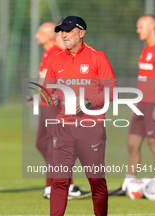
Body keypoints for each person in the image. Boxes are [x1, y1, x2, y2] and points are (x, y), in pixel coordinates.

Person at [35, 16, 118, 216]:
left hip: (91, 128)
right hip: (63, 128)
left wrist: (89, 102)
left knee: (96, 180)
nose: (63, 35)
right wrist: (49, 98)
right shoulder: (55, 59)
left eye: (68, 31)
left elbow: (113, 90)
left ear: (81, 33)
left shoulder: (97, 57)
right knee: (59, 180)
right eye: (61, 31)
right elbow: (47, 92)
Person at [110, 15, 155, 196]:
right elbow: (142, 79)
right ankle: (127, 185)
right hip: (141, 104)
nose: (138, 30)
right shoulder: (146, 49)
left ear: (151, 26)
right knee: (132, 144)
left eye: (140, 27)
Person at [34, 21, 90, 199]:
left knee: (54, 145)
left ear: (49, 36)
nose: (36, 36)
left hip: (53, 105)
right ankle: (68, 184)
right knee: (42, 143)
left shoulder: (56, 54)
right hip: (45, 103)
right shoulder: (48, 53)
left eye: (40, 33)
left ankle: (53, 187)